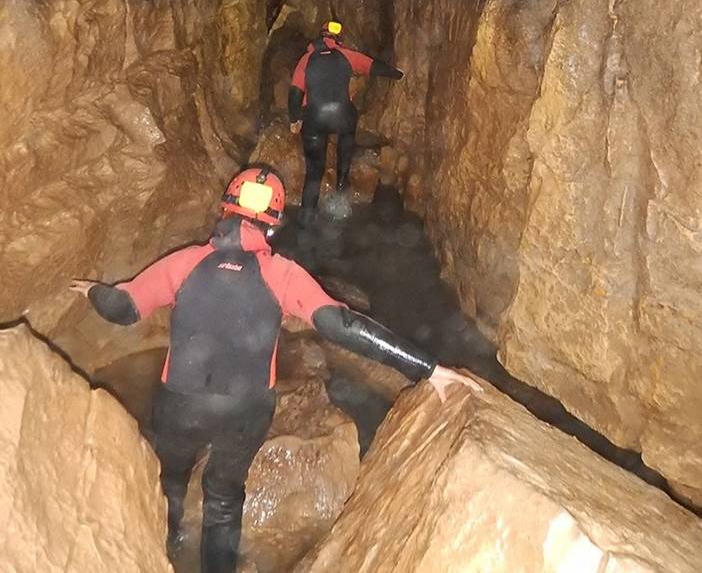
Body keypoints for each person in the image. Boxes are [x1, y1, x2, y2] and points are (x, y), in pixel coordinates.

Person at [70, 165, 481, 573]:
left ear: (225, 209)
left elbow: (123, 310)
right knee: (223, 501)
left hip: (180, 402)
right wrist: (427, 368)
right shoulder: (281, 275)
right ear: (272, 226)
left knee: (169, 482)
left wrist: (95, 292)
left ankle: (162, 547)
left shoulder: (185, 262)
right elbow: (344, 326)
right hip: (244, 412)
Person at [288, 21, 403, 225]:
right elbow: (373, 66)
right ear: (338, 39)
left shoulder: (306, 60)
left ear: (320, 36)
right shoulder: (346, 55)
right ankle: (341, 186)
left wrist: (294, 119)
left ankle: (306, 219)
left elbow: (295, 93)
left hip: (314, 118)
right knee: (347, 134)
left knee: (314, 171)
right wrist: (398, 74)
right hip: (342, 116)